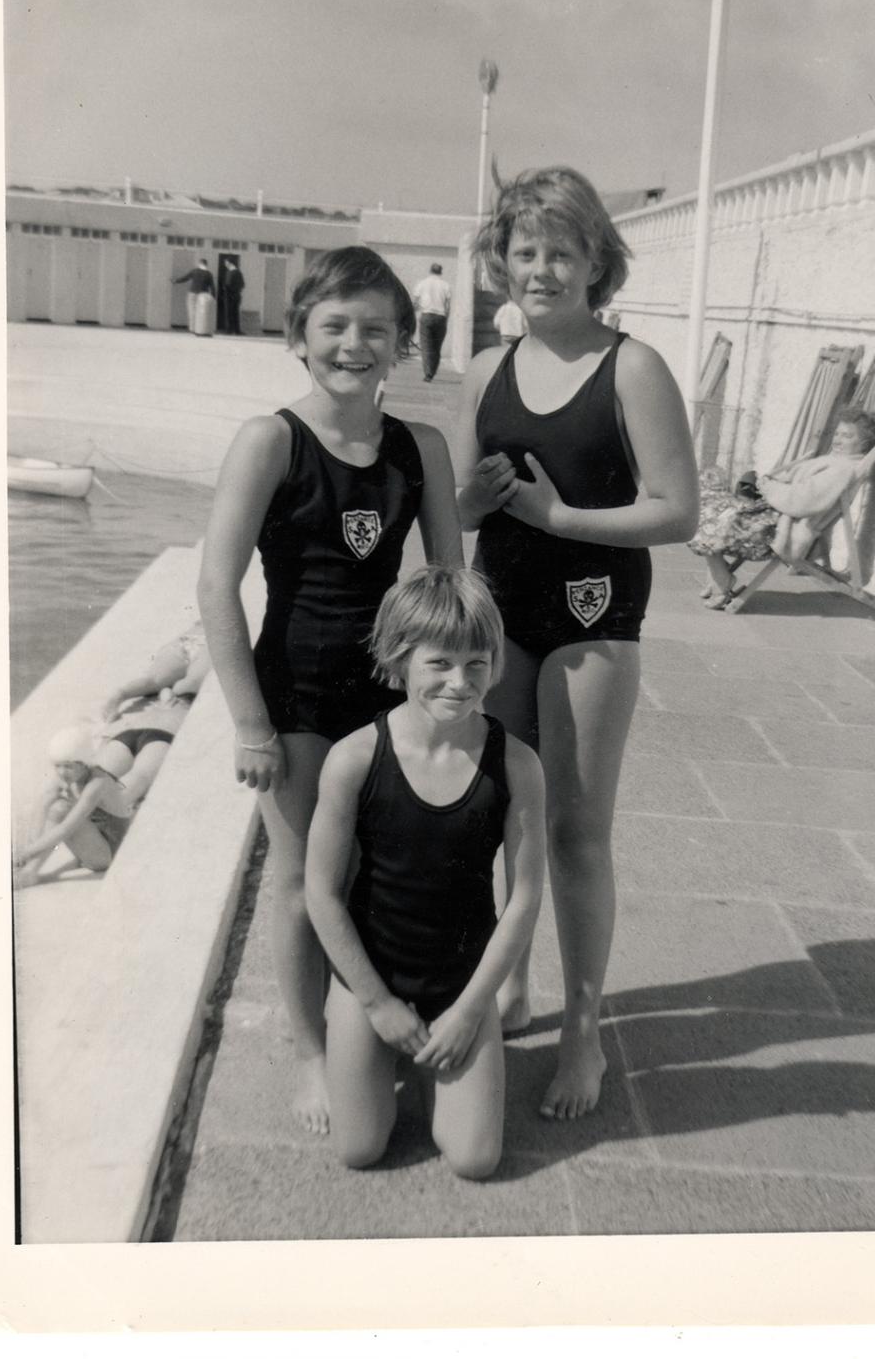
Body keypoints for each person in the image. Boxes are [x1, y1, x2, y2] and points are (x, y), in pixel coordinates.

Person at [198, 246, 463, 1134]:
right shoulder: (270, 440)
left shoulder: (419, 447)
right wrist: (249, 725)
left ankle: (372, 1020)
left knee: (370, 870)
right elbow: (215, 585)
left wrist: (447, 699)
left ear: (400, 345)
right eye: (336, 325)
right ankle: (310, 1048)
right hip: (297, 690)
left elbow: (448, 586)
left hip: (386, 691)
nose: (355, 343)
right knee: (297, 878)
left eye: (375, 330)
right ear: (300, 337)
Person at [453, 165, 699, 1120]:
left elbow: (677, 511)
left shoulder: (631, 367)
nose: (542, 268)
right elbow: (466, 504)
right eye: (524, 251)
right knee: (503, 820)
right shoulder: (484, 368)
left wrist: (559, 517)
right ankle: (510, 986)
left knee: (574, 833)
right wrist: (472, 504)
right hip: (502, 614)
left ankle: (585, 1029)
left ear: (598, 260)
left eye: (562, 250)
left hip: (596, 617)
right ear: (500, 264)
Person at [305, 566, 545, 1178]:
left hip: (460, 976)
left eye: (477, 662)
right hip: (373, 973)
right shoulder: (354, 759)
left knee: (474, 1159)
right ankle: (373, 1045)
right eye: (439, 663)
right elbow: (323, 895)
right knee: (360, 1149)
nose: (460, 683)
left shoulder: (516, 765)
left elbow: (523, 900)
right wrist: (377, 1002)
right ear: (399, 658)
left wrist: (470, 1009)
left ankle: (436, 1050)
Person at [689, 407, 875, 608]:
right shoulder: (834, 461)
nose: (838, 439)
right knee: (703, 502)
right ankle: (717, 574)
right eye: (838, 433)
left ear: (863, 443)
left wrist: (770, 487)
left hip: (774, 530)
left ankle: (720, 579)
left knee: (704, 515)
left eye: (848, 436)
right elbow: (792, 484)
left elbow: (802, 500)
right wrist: (772, 482)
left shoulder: (842, 470)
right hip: (769, 517)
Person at [14, 692, 192, 883]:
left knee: (136, 779)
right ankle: (30, 872)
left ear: (82, 763)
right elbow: (41, 806)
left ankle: (30, 874)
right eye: (58, 766)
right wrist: (28, 854)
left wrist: (27, 852)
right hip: (130, 735)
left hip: (108, 853)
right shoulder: (70, 771)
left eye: (67, 766)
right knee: (123, 784)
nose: (62, 772)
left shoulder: (97, 783)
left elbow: (66, 827)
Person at [412, 261, 452, 381]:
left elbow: (416, 302)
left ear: (430, 271)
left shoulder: (422, 283)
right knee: (436, 347)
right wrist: (446, 319)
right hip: (440, 317)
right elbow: (448, 305)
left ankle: (428, 373)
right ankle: (432, 371)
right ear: (440, 272)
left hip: (427, 316)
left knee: (426, 346)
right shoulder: (446, 285)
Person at [172, 257, 216, 334]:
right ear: (206, 264)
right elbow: (212, 286)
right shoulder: (209, 274)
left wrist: (176, 281)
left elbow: (185, 278)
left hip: (192, 293)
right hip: (203, 295)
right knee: (201, 312)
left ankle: (192, 329)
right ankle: (200, 328)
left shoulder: (195, 271)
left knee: (192, 311)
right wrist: (213, 297)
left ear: (200, 263)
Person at [219, 256, 246, 336]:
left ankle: (230, 330)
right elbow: (242, 284)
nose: (225, 264)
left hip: (230, 295)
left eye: (226, 263)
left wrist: (228, 288)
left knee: (230, 313)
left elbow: (239, 284)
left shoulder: (232, 272)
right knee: (234, 313)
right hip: (235, 295)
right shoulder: (236, 272)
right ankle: (236, 330)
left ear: (230, 263)